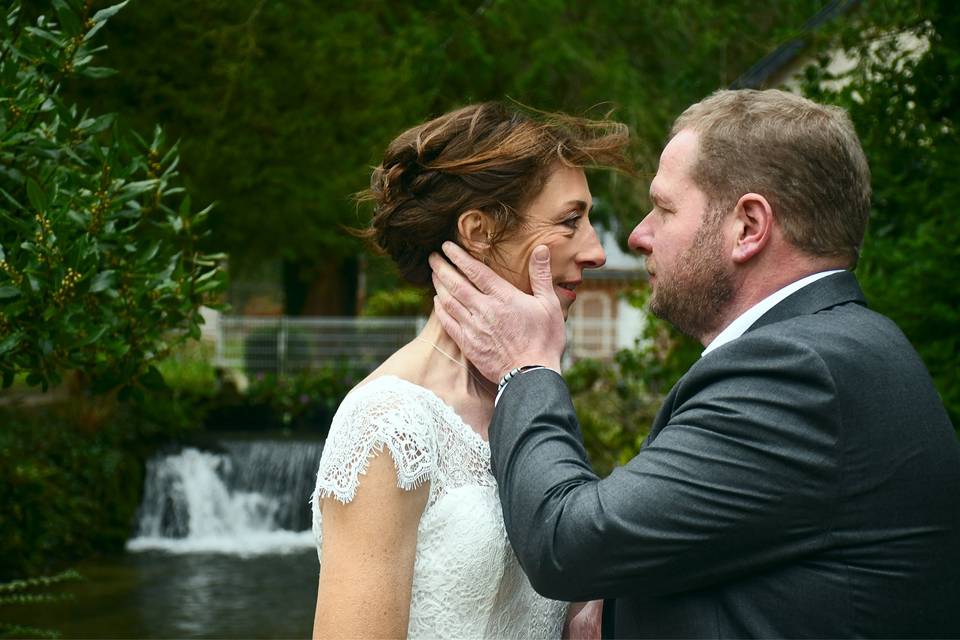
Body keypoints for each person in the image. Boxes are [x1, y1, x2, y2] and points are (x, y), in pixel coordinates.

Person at [429, 89, 960, 638]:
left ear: (749, 227)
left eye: (664, 208)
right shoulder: (838, 347)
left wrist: (527, 368)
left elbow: (569, 543)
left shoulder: (799, 372)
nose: (638, 236)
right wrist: (614, 612)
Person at [310, 102, 631, 639]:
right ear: (479, 230)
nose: (597, 251)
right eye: (570, 220)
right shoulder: (388, 422)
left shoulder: (528, 392)